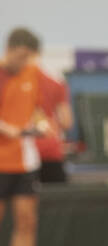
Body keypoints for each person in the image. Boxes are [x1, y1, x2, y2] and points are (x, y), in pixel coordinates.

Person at [0, 28, 45, 246]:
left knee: (27, 222)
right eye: (21, 56)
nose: (24, 62)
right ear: (9, 49)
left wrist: (40, 123)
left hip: (25, 161)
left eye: (28, 57)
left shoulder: (33, 73)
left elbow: (38, 108)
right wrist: (5, 127)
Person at [31, 45, 73, 184]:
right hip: (50, 150)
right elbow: (66, 122)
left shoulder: (10, 83)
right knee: (55, 200)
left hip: (22, 153)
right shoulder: (56, 83)